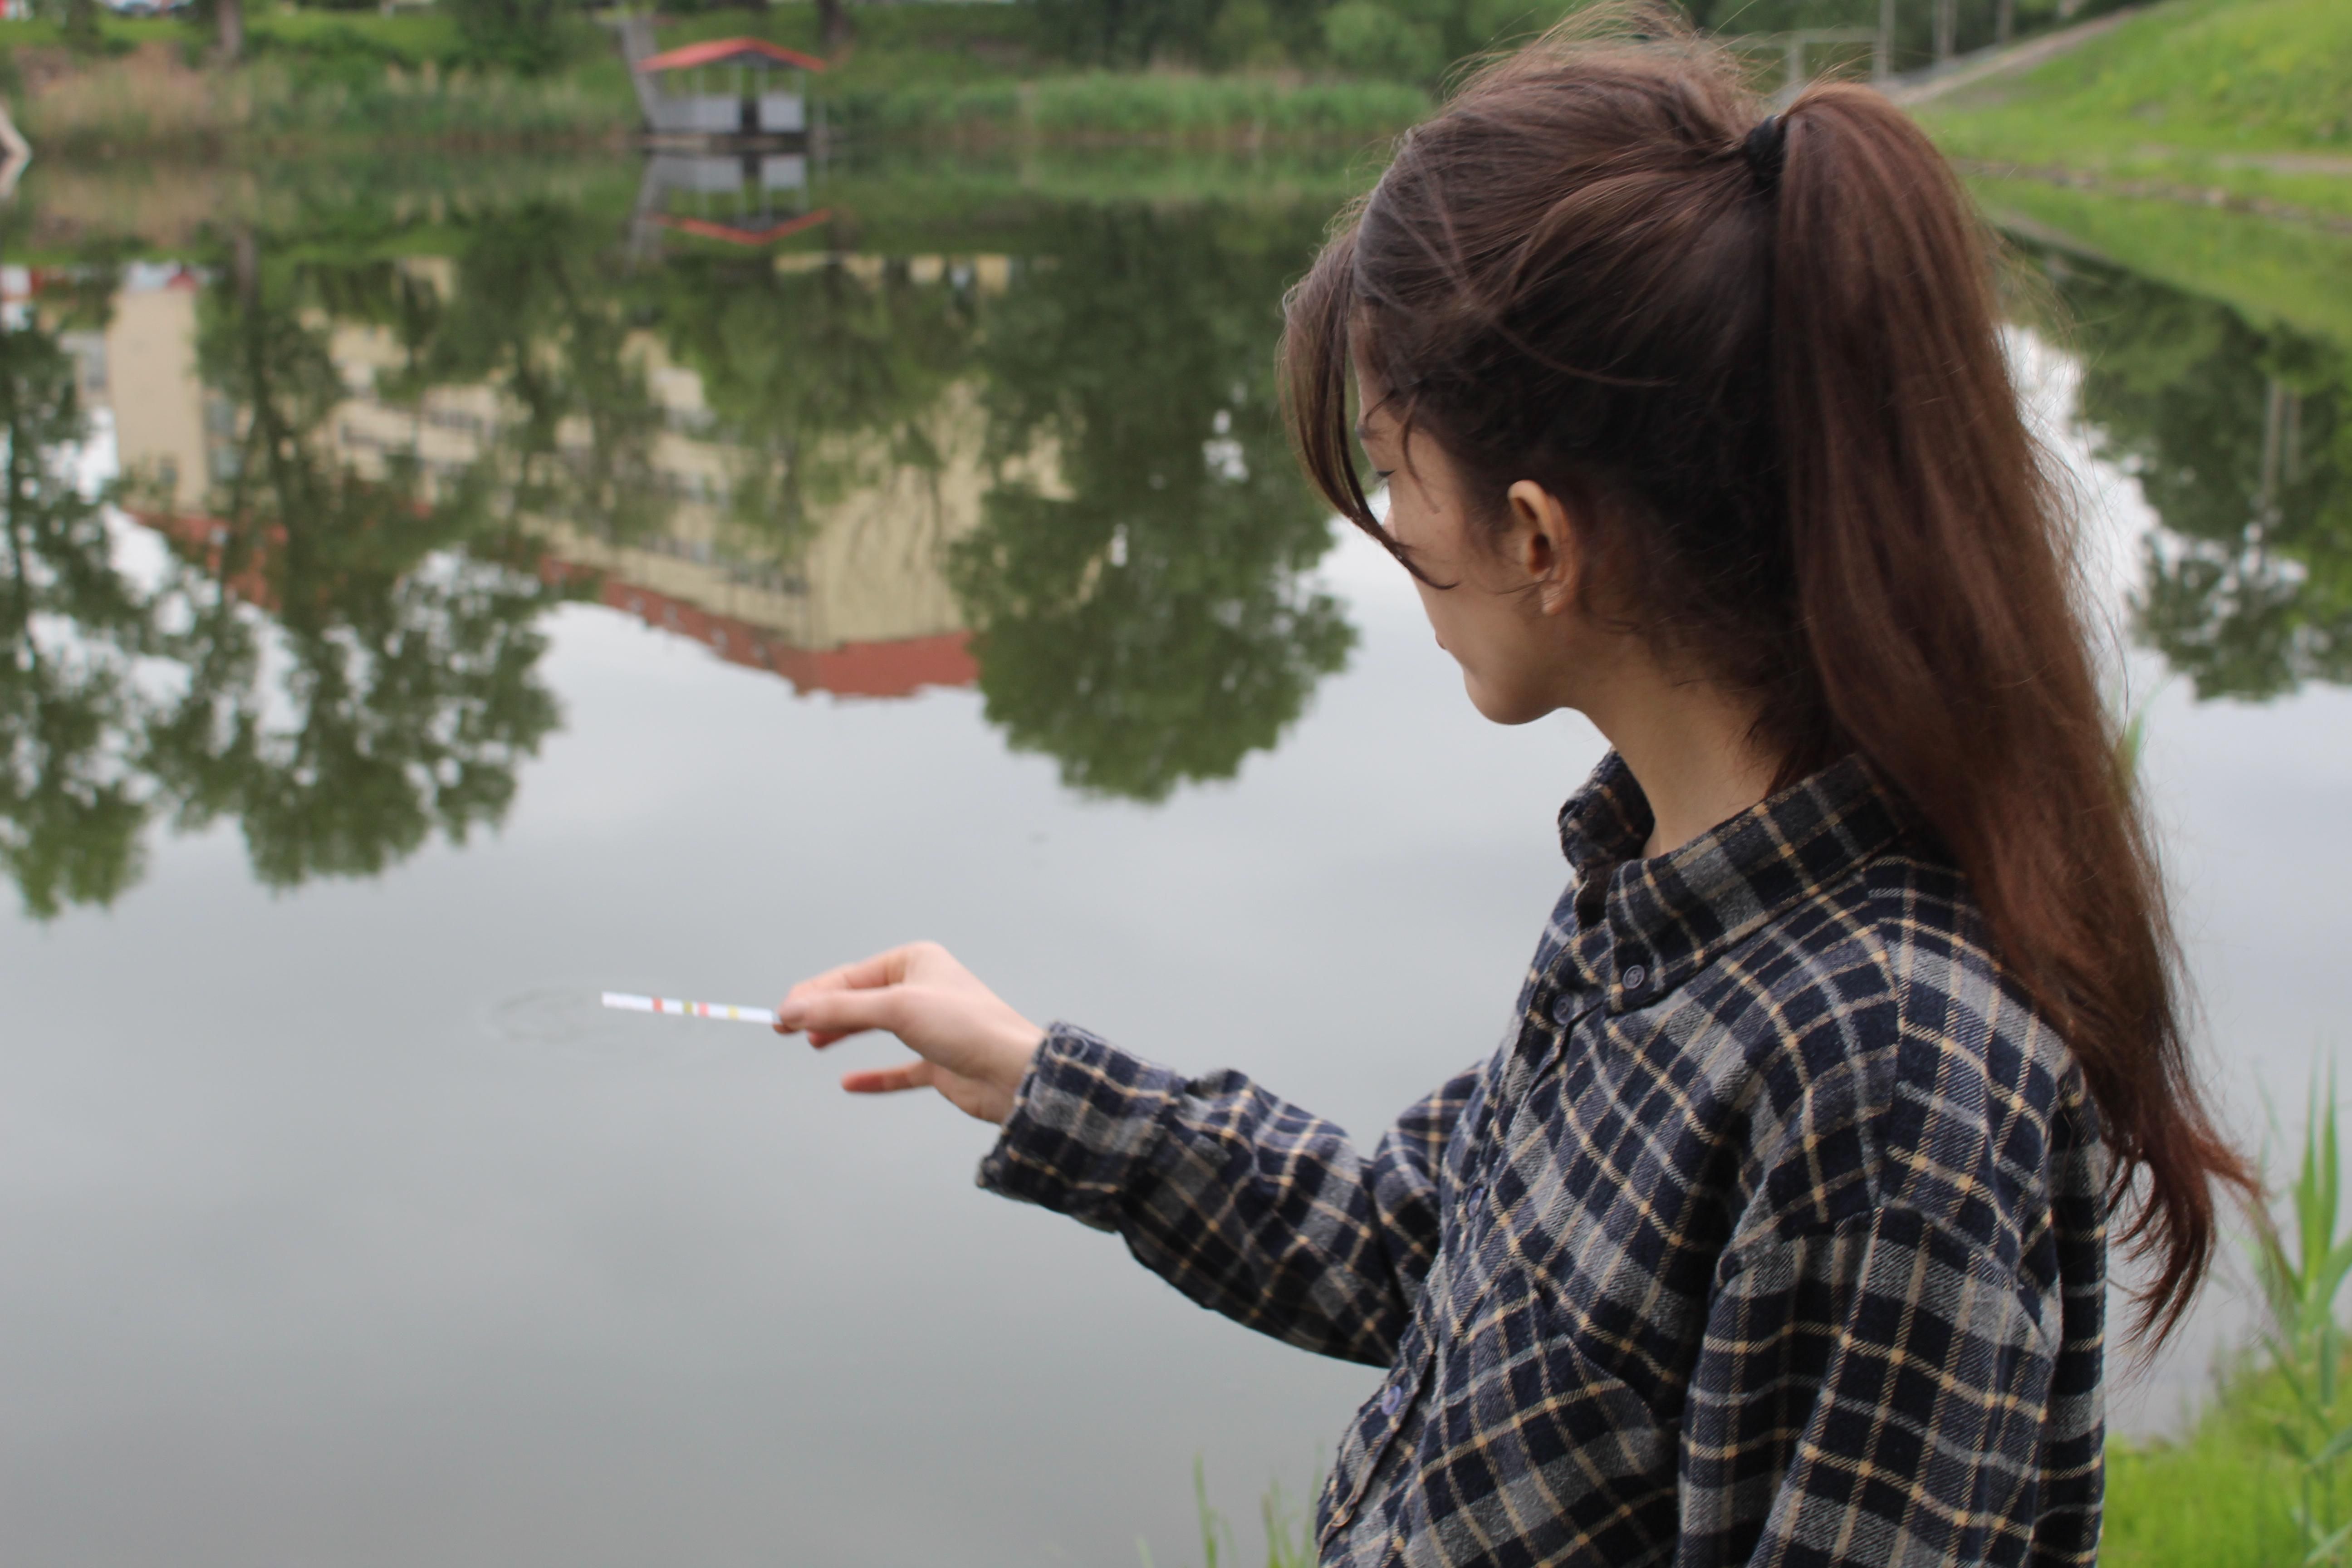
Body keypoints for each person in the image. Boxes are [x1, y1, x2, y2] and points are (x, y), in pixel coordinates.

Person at [771, 11, 2250, 1563]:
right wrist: (1033, 1076)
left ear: (1540, 540)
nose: (1391, 526)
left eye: (1395, 470)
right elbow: (1429, 1251)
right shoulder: (1660, 885)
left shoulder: (1887, 1083)